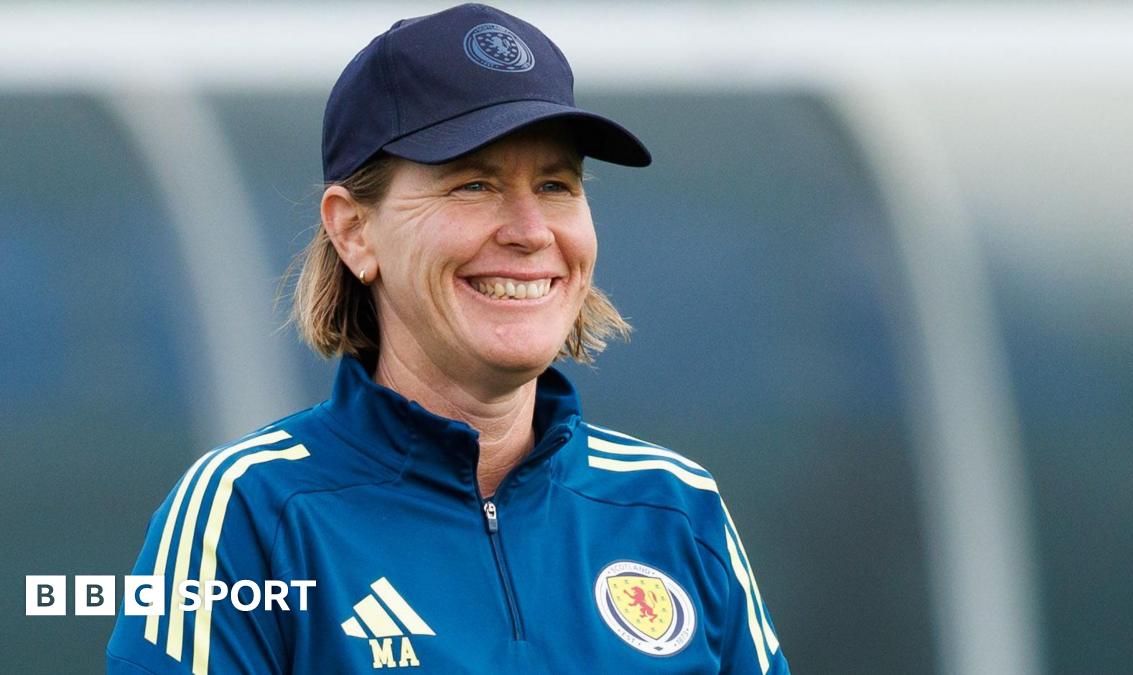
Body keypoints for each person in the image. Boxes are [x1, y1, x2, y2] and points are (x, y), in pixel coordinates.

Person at [107, 4, 789, 673]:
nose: (529, 230)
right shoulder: (247, 515)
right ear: (354, 231)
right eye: (473, 183)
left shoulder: (672, 507)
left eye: (556, 183)